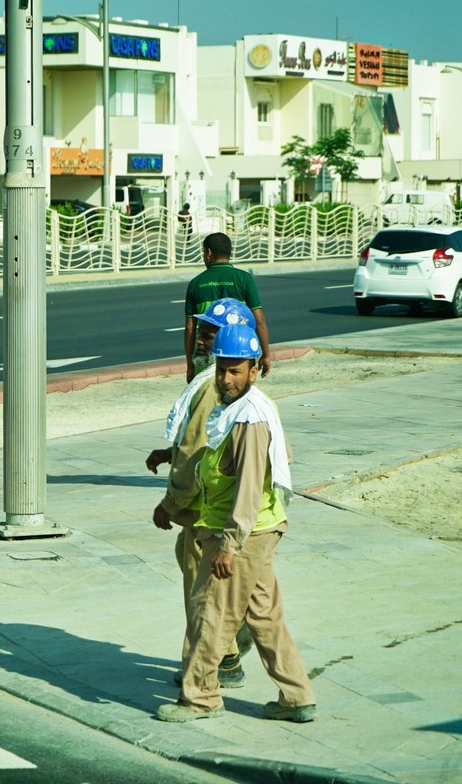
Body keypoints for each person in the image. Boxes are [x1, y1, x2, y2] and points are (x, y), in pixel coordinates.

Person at [155, 323, 316, 724]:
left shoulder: (249, 419)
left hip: (245, 533)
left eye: (236, 370)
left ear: (255, 369)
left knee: (211, 611)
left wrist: (229, 543)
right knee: (264, 616)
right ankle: (297, 697)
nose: (227, 378)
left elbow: (248, 487)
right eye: (222, 368)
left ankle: (200, 697)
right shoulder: (242, 408)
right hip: (259, 527)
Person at [148, 298, 256, 689]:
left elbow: (198, 453)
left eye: (211, 332)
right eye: (203, 330)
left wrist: (170, 503)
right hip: (214, 507)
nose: (202, 338)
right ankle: (231, 640)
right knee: (211, 583)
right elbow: (197, 438)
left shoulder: (213, 386)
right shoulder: (221, 382)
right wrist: (167, 452)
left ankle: (216, 665)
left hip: (202, 509)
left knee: (201, 594)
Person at [184, 232, 271, 382]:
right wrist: (266, 355)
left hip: (206, 351)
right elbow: (259, 320)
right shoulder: (244, 279)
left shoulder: (195, 283)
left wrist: (190, 366)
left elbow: (190, 329)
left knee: (206, 396)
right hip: (237, 350)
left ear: (209, 253)